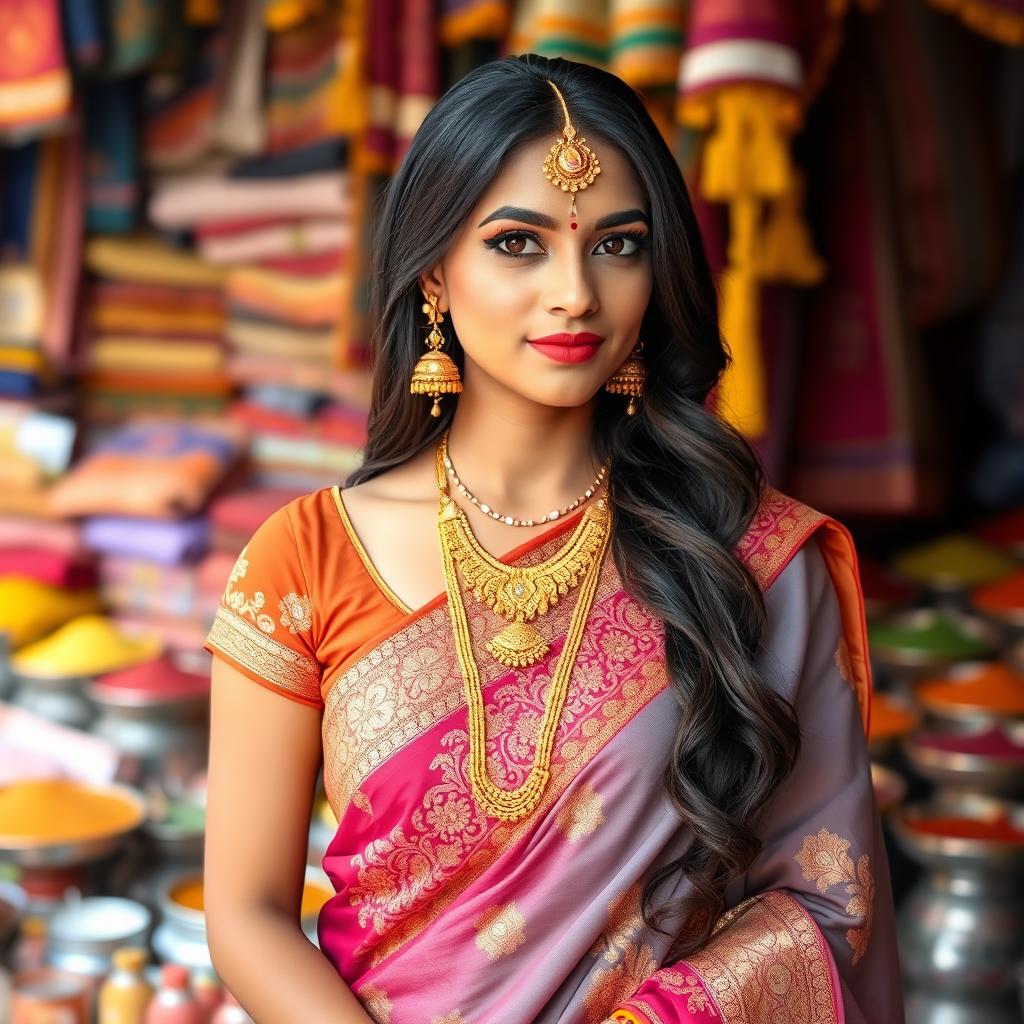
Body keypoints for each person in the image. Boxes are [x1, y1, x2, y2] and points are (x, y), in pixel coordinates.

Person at [203, 53, 903, 1024]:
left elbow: (830, 902)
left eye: (616, 246)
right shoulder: (305, 559)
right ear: (435, 271)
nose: (575, 292)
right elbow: (245, 911)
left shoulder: (749, 557)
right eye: (518, 245)